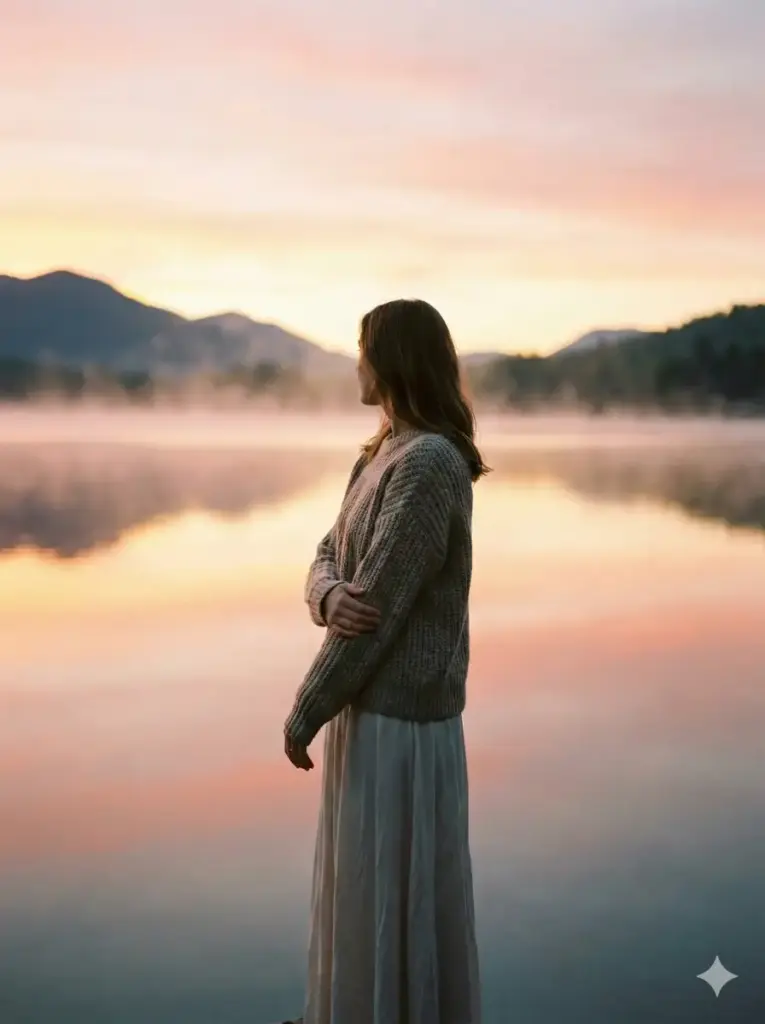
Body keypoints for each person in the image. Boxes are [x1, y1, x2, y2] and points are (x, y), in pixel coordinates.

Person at [282, 298, 488, 1024]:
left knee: (396, 897)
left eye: (364, 348)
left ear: (394, 359)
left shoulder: (428, 464)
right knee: (362, 892)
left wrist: (304, 712)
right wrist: (325, 594)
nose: (357, 363)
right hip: (365, 713)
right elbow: (324, 557)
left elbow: (374, 614)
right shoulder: (376, 456)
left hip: (404, 731)